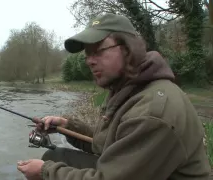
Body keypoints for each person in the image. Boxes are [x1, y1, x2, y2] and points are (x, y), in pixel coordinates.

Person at [17, 13, 211, 180]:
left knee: (49, 166)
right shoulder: (129, 88)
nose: (90, 62)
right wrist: (66, 127)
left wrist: (45, 172)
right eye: (87, 55)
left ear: (128, 49)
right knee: (56, 157)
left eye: (98, 51)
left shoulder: (152, 112)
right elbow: (109, 145)